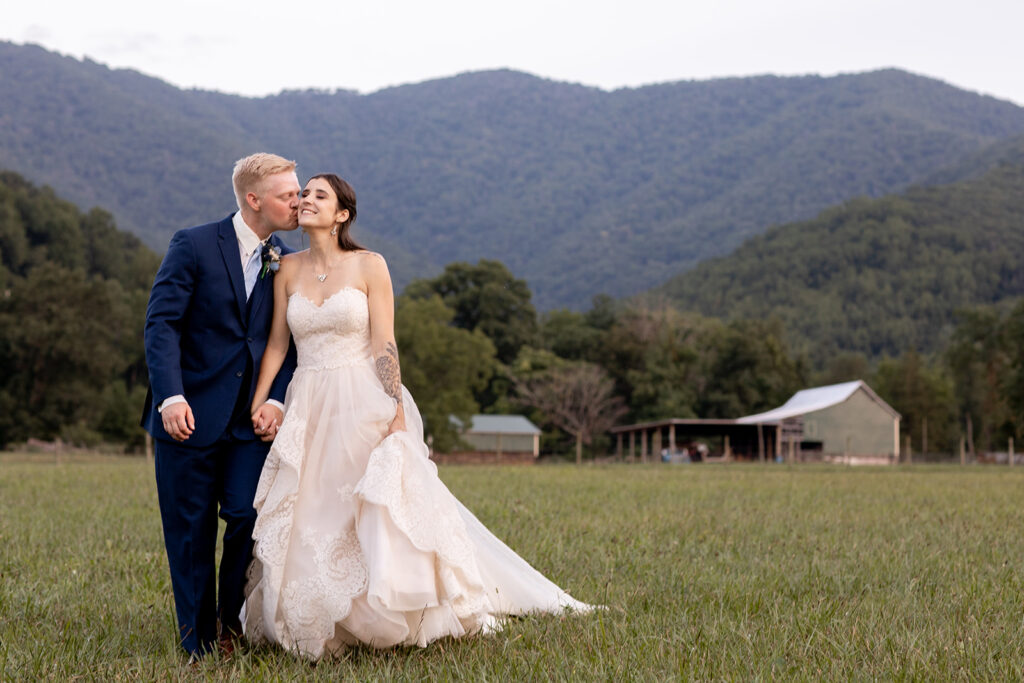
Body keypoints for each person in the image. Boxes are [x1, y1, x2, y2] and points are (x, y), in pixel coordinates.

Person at [241, 174, 592, 658]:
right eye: (304, 194)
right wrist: (262, 401)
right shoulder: (288, 269)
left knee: (369, 506)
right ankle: (319, 616)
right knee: (312, 509)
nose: (306, 201)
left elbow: (384, 342)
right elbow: (279, 343)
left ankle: (390, 609)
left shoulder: (369, 265)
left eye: (319, 195)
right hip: (309, 402)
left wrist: (394, 409)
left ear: (342, 214)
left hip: (362, 398)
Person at [141, 153, 300, 659]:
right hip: (186, 416)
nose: (296, 202)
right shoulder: (192, 244)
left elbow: (294, 344)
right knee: (189, 534)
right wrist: (171, 395)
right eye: (287, 195)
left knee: (246, 517)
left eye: (298, 193)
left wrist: (277, 399)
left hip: (249, 425)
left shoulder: (288, 260)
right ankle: (197, 644)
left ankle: (229, 621)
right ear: (254, 200)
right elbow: (161, 324)